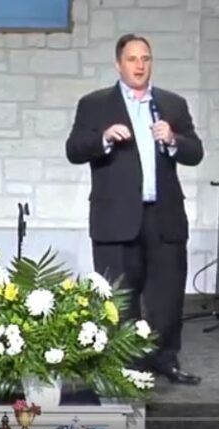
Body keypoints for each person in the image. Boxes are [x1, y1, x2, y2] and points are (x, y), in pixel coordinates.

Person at [65, 33, 204, 385]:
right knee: (119, 296)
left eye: (145, 58)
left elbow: (195, 152)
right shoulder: (95, 104)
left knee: (167, 293)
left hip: (163, 216)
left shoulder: (172, 104)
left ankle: (165, 360)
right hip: (116, 218)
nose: (139, 65)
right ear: (118, 64)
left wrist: (173, 140)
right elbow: (74, 149)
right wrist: (104, 139)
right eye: (132, 59)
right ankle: (123, 364)